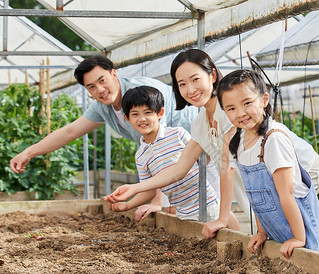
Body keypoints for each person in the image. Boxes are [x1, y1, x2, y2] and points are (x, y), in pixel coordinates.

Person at [9, 56, 197, 209]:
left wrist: (157, 202)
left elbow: (162, 148)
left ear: (113, 74)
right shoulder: (102, 107)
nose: (100, 90)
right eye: (91, 87)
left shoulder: (142, 94)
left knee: (205, 205)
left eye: (102, 80)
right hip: (178, 169)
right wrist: (28, 152)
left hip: (197, 144)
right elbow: (70, 131)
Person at [104, 49, 245, 232]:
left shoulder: (228, 111)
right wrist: (134, 188)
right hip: (243, 195)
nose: (190, 89)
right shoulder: (200, 122)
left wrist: (222, 217)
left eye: (195, 79)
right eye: (182, 84)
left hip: (261, 188)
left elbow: (226, 168)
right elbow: (179, 169)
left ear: (212, 75)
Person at [216, 69, 319, 258]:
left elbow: (287, 194)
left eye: (247, 103)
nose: (241, 113)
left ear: (264, 100)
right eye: (231, 108)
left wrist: (299, 238)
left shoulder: (273, 139)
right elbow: (258, 199)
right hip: (279, 235)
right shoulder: (240, 140)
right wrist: (262, 232)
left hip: (303, 233)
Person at [104, 86, 219, 221]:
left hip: (206, 204)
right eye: (135, 114)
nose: (142, 119)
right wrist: (127, 205)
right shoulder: (141, 155)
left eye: (147, 112)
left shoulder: (177, 134)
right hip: (182, 212)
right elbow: (149, 191)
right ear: (126, 118)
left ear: (160, 113)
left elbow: (204, 161)